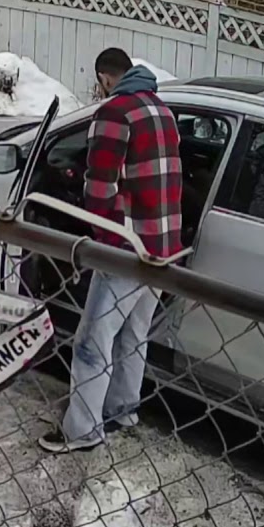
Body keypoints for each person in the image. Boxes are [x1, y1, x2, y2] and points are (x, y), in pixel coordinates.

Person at [39, 48, 183, 453]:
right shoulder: (162, 111)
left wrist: (101, 242)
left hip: (130, 250)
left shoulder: (113, 113)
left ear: (104, 77)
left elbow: (99, 186)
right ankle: (122, 409)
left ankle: (82, 430)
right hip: (164, 247)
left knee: (92, 340)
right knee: (134, 335)